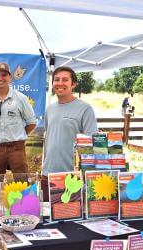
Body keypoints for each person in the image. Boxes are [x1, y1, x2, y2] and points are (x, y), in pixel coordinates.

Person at [0, 62, 37, 203]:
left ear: (10, 77)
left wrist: (18, 135)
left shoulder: (21, 98)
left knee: (23, 183)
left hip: (16, 148)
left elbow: (31, 122)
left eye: (4, 75)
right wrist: (0, 134)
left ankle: (26, 212)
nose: (1, 78)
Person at [41, 66, 98, 201]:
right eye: (56, 80)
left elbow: (92, 144)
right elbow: (49, 140)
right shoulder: (49, 109)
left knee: (69, 219)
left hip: (71, 177)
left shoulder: (85, 109)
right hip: (47, 174)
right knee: (47, 218)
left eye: (65, 80)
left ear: (73, 84)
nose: (60, 83)